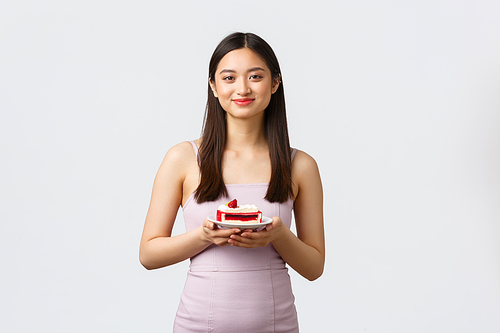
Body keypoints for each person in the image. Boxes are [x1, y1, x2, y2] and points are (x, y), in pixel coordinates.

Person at [139, 32, 325, 333]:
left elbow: (314, 267)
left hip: (277, 326)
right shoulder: (183, 158)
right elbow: (148, 254)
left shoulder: (300, 166)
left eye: (255, 76)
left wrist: (277, 234)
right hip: (198, 326)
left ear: (275, 83)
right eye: (228, 78)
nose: (242, 88)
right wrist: (205, 236)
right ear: (213, 86)